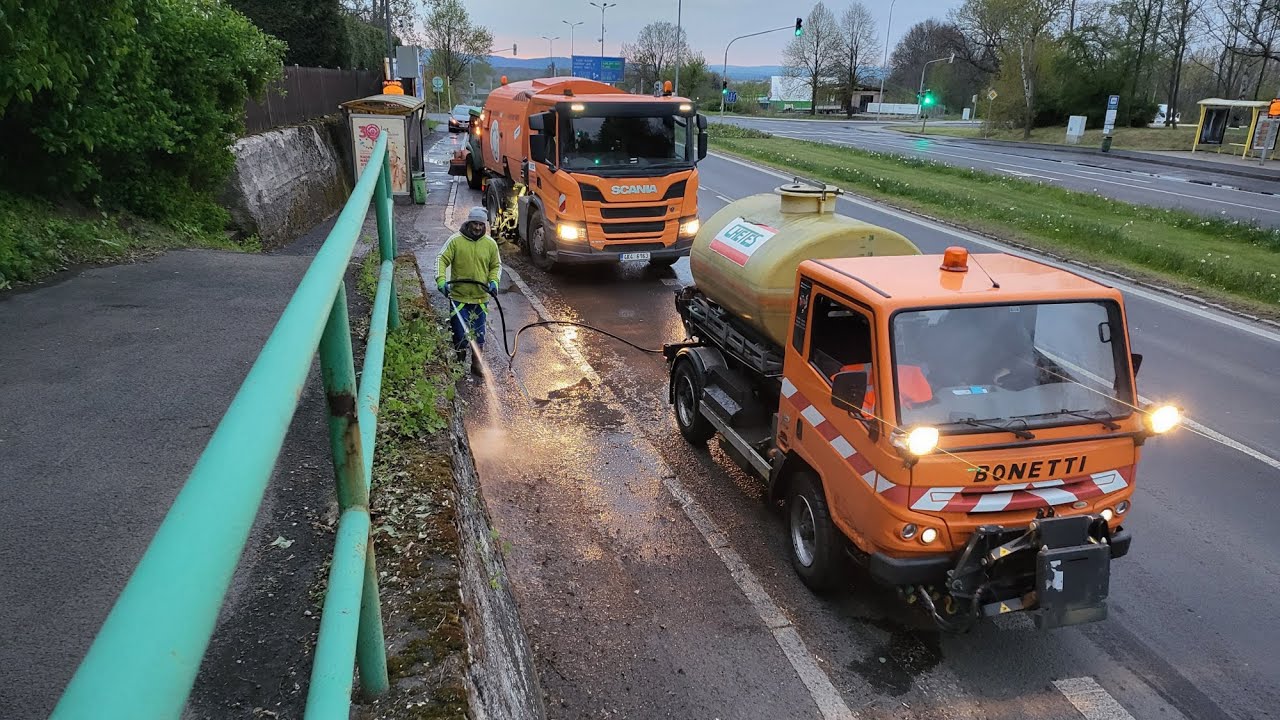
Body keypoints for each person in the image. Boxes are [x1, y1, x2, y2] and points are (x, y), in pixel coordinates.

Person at [436, 207, 501, 376]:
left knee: (479, 334)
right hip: (459, 298)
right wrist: (441, 281)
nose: (477, 227)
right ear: (469, 222)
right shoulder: (456, 241)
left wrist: (494, 281)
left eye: (480, 224)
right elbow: (441, 259)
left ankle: (477, 363)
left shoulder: (490, 244)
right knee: (460, 333)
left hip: (480, 299)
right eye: (475, 223)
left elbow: (496, 265)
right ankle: (459, 359)